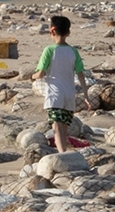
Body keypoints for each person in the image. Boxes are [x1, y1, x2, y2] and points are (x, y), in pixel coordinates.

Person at [32, 14, 89, 151]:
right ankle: (64, 151)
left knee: (56, 127)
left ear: (52, 31)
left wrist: (32, 77)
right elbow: (81, 74)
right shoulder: (73, 51)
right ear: (68, 32)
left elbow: (40, 73)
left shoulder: (49, 50)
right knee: (64, 127)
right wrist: (86, 96)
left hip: (55, 95)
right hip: (69, 94)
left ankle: (62, 153)